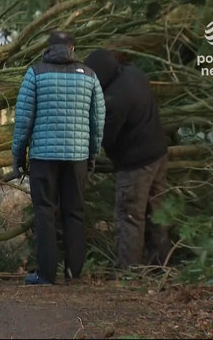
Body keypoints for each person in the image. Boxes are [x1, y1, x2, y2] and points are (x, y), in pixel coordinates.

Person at [11, 31, 106, 285]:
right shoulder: (89, 76)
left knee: (45, 213)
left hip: (44, 157)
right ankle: (74, 274)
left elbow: (23, 121)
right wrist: (92, 154)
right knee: (74, 212)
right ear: (72, 48)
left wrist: (18, 155)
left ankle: (46, 274)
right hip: (77, 157)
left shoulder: (35, 74)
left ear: (48, 48)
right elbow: (98, 121)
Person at [83, 48, 170, 273]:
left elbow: (106, 137)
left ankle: (128, 271)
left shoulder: (114, 100)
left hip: (135, 165)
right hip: (158, 155)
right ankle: (161, 266)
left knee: (130, 216)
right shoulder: (134, 74)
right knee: (157, 214)